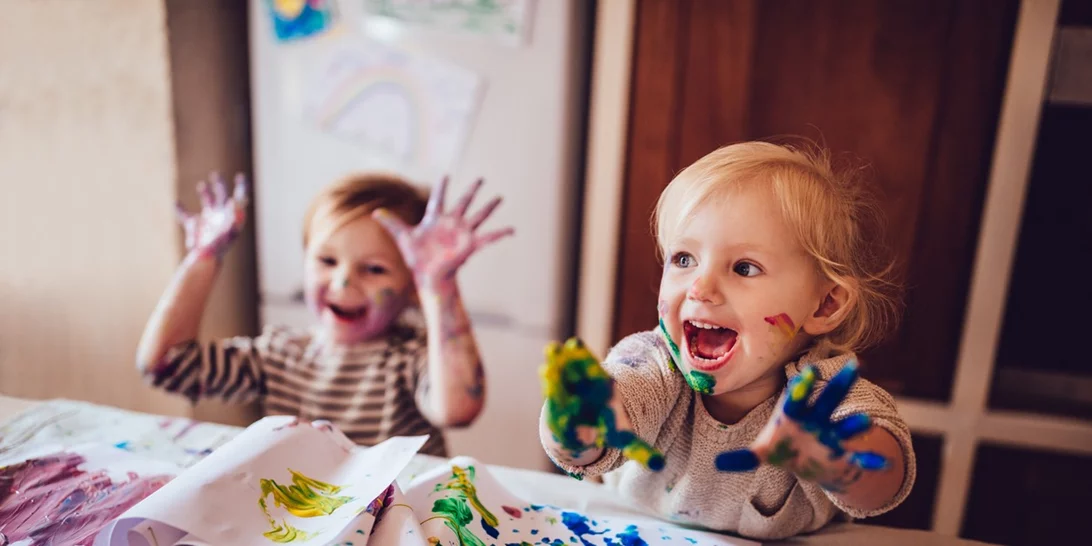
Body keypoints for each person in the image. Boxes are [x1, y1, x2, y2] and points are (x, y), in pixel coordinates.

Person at [539, 141, 915, 539]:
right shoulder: (655, 362)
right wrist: (575, 425)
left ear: (824, 305)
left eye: (744, 267)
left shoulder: (821, 396)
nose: (701, 288)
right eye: (684, 259)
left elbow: (883, 485)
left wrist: (837, 461)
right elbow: (592, 439)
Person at [137, 172, 511, 456]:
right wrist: (203, 259)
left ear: (413, 286)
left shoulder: (410, 360)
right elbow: (165, 365)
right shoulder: (279, 354)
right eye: (327, 260)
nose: (343, 281)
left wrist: (439, 286)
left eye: (375, 269)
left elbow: (458, 409)